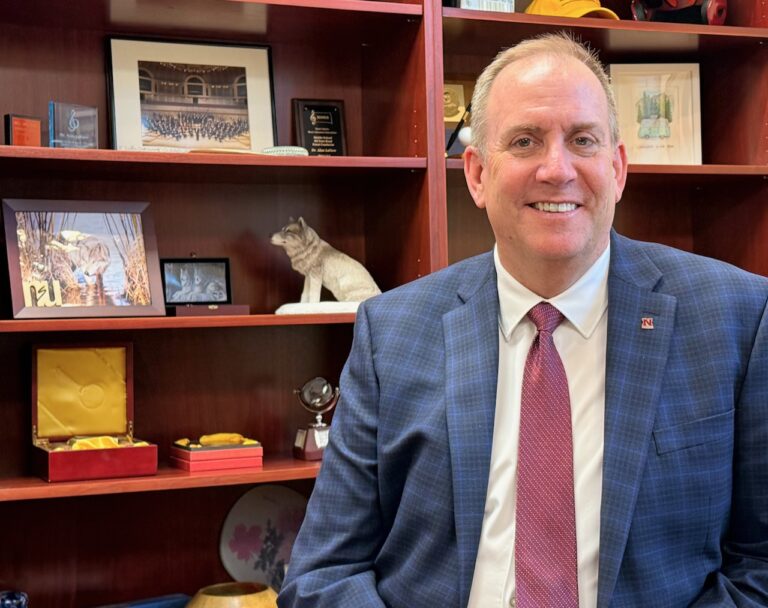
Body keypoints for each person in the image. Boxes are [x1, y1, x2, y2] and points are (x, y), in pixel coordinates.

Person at [278, 32, 768, 608]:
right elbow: (324, 572)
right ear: (477, 175)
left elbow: (759, 562)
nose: (556, 169)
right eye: (525, 141)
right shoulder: (392, 332)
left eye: (582, 140)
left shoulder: (737, 315)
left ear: (617, 168)